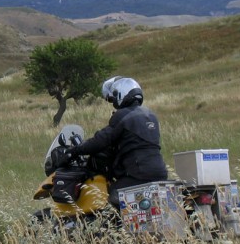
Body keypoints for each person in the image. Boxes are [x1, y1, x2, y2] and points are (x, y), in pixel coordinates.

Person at [62, 77, 168, 208]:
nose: (113, 103)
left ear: (121, 94)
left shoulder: (123, 115)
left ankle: (116, 227)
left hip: (138, 174)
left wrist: (75, 149)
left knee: (112, 193)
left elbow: (100, 140)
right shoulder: (150, 115)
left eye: (113, 98)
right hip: (160, 172)